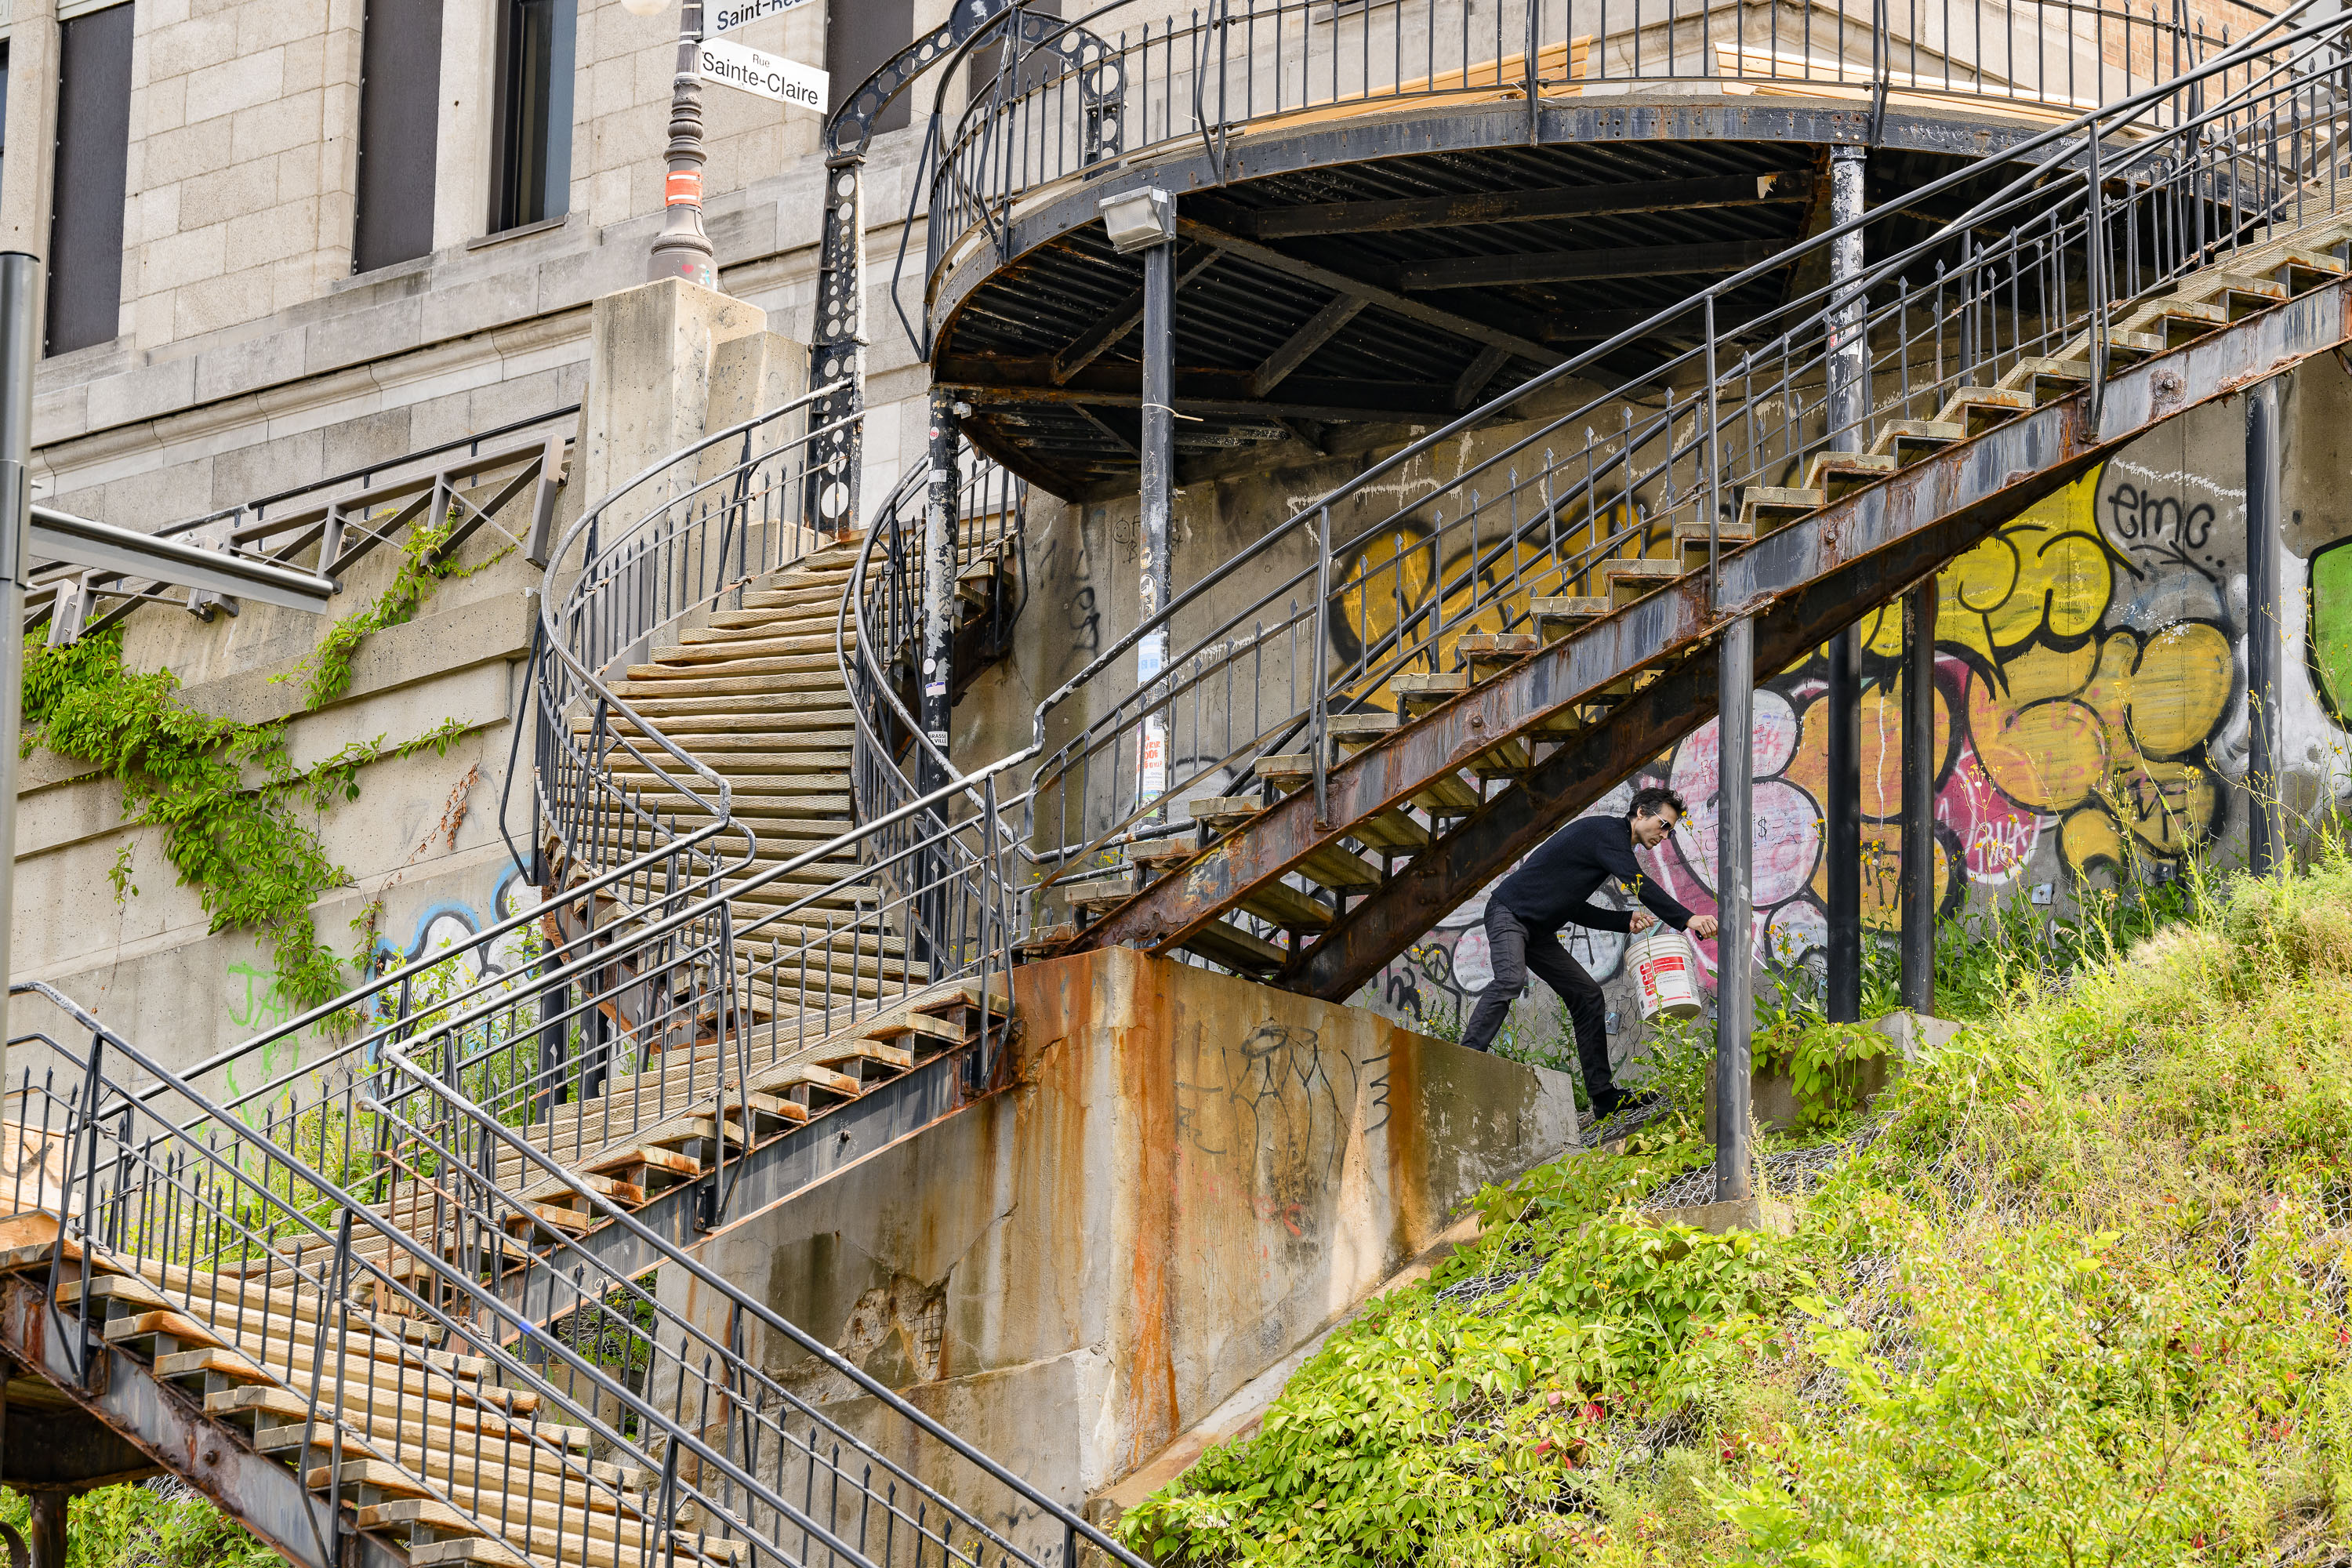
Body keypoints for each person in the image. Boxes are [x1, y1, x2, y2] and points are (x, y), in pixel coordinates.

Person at [1458, 785, 1720, 1119]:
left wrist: (1623, 921)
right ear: (1640, 813)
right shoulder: (1606, 833)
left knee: (1588, 995)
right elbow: (1638, 881)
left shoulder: (1609, 843)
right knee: (1511, 979)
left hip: (1537, 930)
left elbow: (1571, 907)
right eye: (1664, 825)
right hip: (1509, 913)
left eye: (1670, 830)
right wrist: (1687, 918)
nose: (1665, 835)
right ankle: (1466, 1059)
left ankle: (1603, 1097)